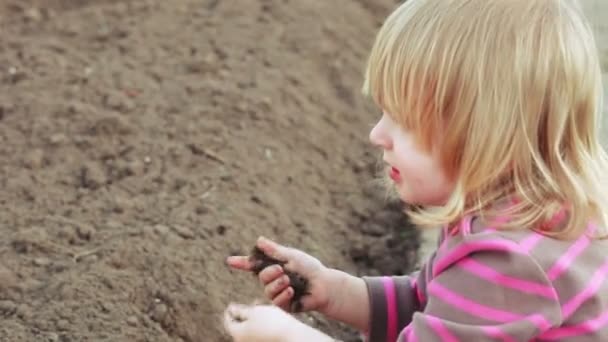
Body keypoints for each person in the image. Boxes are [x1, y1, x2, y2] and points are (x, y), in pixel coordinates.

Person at [223, 0, 608, 340]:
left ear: (485, 135)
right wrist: (334, 291)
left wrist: (287, 337)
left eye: (405, 120)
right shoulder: (514, 209)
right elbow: (433, 306)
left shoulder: (508, 261)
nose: (377, 134)